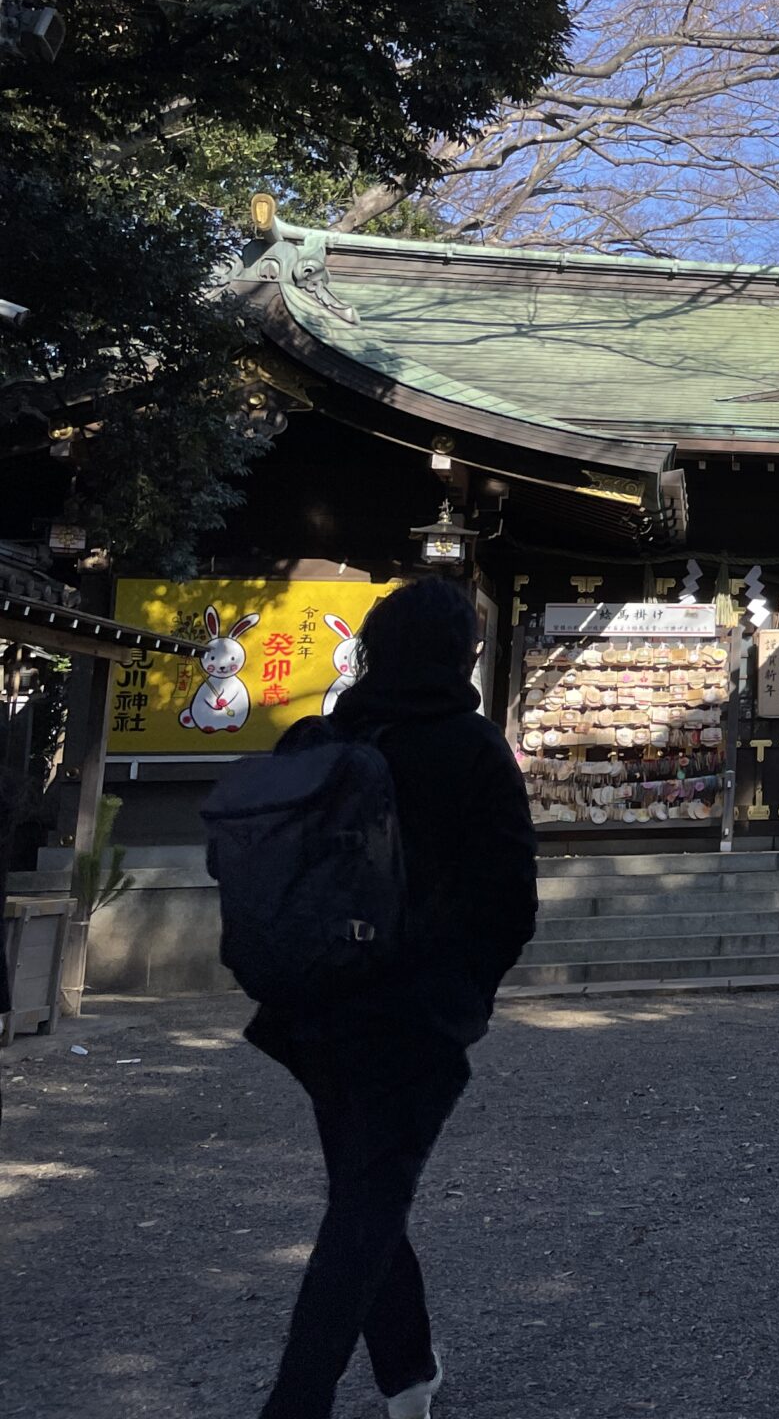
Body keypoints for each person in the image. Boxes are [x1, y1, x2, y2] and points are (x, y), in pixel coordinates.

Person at [252, 578, 539, 1419]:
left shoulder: (325, 739)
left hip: (315, 1009)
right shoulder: (473, 747)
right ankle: (297, 1401)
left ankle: (409, 1374)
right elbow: (510, 904)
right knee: (368, 1203)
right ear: (462, 655)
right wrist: (462, 992)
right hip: (412, 1013)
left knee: (364, 1186)